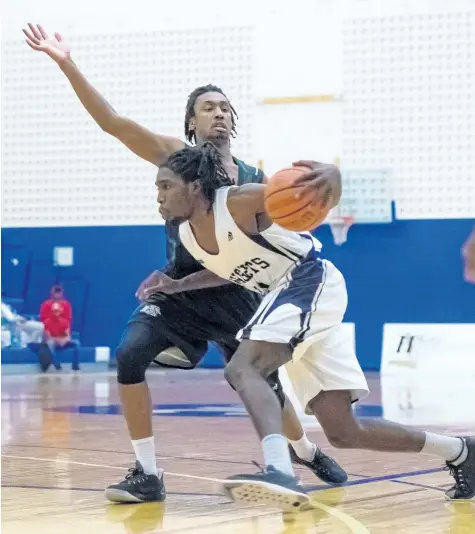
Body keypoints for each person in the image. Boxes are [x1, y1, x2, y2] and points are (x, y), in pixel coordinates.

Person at [23, 23, 347, 503]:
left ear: (232, 121)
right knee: (129, 355)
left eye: (224, 107)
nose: (218, 113)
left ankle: (301, 449)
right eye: (207, 107)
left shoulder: (259, 180)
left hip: (239, 290)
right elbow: (112, 122)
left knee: (264, 387)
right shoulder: (178, 159)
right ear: (190, 124)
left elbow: (292, 226)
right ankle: (147, 474)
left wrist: (326, 187)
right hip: (180, 287)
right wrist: (66, 62)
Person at [156, 142, 475, 511]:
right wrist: (179, 285)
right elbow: (225, 267)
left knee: (243, 368)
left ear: (194, 187)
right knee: (343, 431)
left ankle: (280, 470)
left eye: (165, 186)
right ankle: (461, 450)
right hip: (295, 297)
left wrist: (334, 178)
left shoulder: (237, 201)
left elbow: (308, 189)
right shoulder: (187, 236)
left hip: (306, 280)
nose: (159, 196)